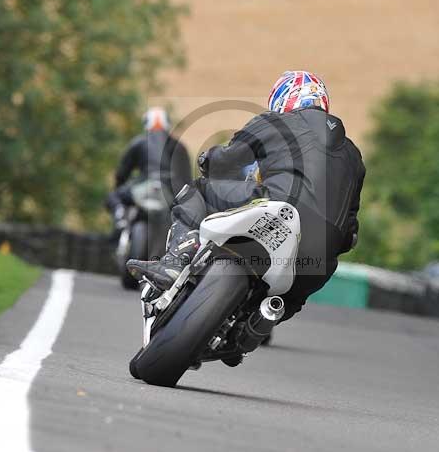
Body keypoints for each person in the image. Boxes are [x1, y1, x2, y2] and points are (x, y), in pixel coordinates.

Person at [128, 71, 365, 322]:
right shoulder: (354, 156)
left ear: (284, 99)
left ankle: (175, 261)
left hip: (278, 205)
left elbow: (228, 159)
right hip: (320, 253)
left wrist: (207, 161)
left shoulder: (276, 122)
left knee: (198, 191)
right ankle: (257, 324)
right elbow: (351, 230)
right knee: (292, 299)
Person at [106, 107, 192, 237]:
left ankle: (120, 217)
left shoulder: (138, 142)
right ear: (167, 124)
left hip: (143, 188)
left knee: (114, 197)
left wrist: (119, 187)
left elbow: (122, 173)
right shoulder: (179, 147)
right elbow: (187, 179)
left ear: (146, 124)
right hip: (170, 193)